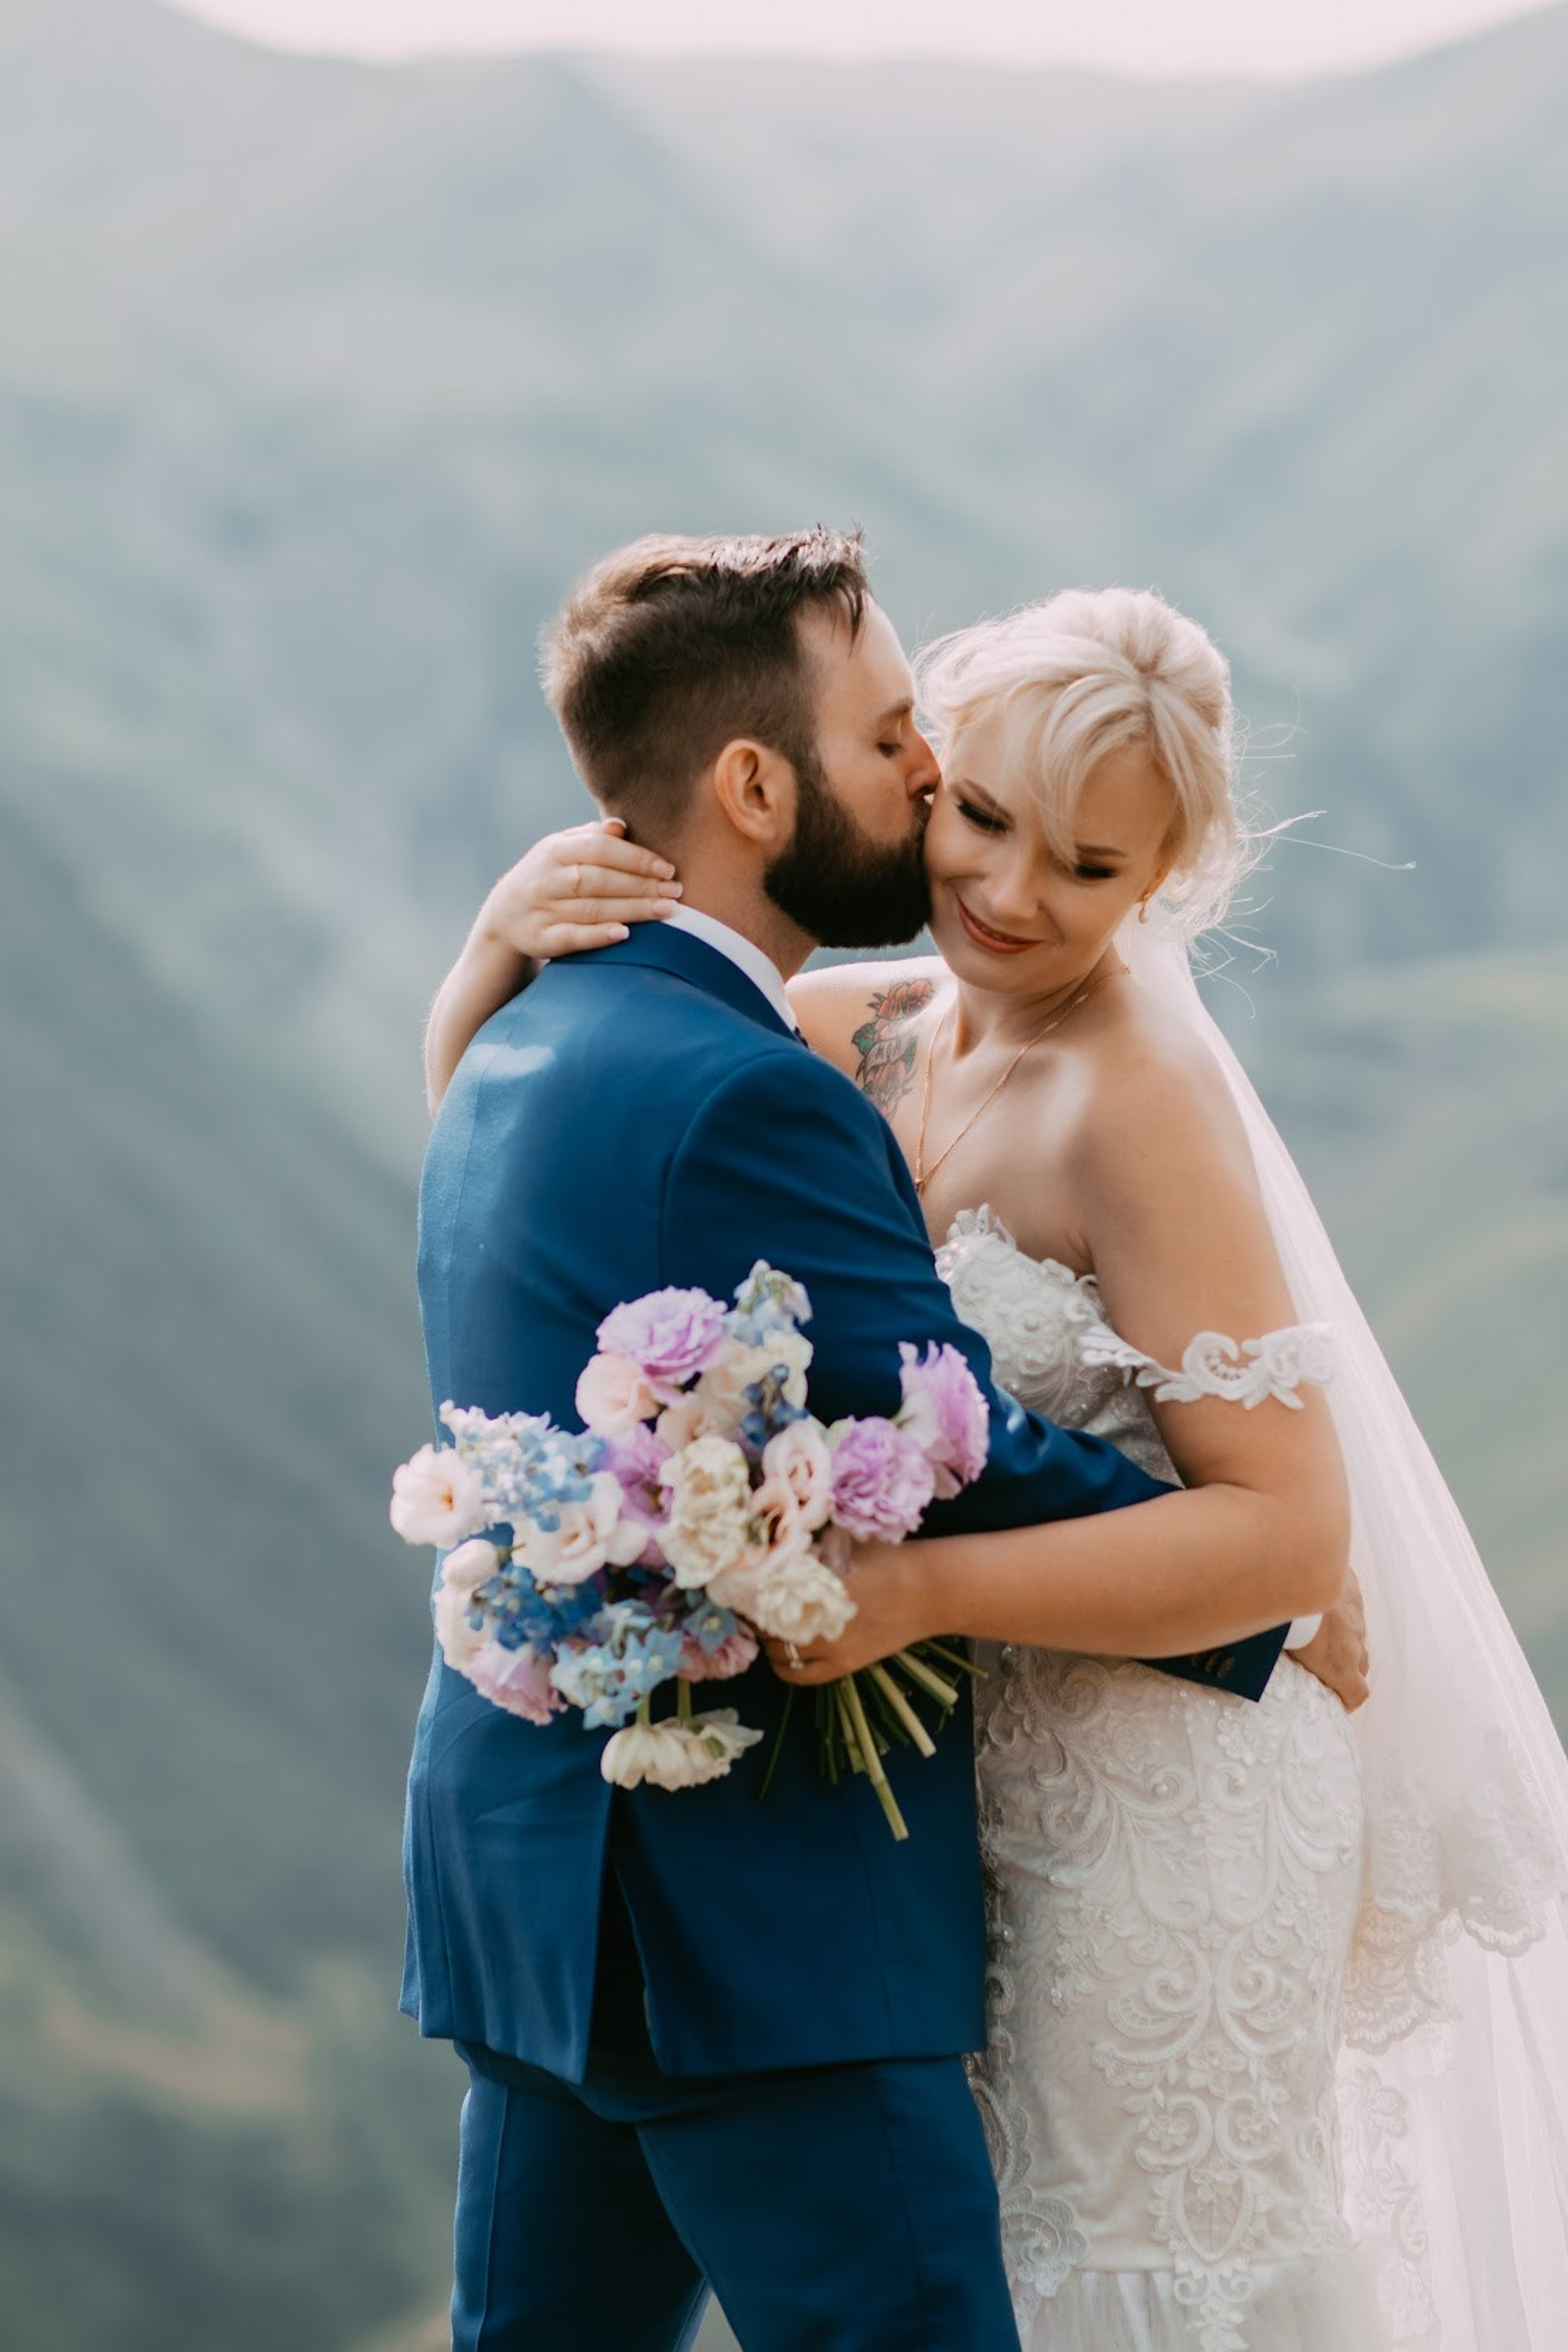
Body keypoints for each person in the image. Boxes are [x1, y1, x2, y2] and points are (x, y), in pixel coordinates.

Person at [431, 577, 1568, 2350]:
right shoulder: (880, 1026)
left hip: (1165, 1799)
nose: (1015, 897)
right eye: (979, 818)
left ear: (1167, 885)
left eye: (1093, 873)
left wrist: (918, 1591)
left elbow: (1284, 1537)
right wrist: (502, 939)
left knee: (1118, 2281)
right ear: (929, 780)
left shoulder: (1141, 1097)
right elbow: (567, 1137)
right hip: (974, 1792)